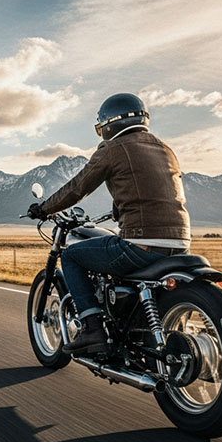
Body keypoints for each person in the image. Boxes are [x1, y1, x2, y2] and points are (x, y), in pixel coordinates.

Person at [27, 93, 191, 355]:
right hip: (180, 244)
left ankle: (93, 330)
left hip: (141, 243)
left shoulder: (113, 148)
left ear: (109, 124)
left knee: (71, 257)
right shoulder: (164, 148)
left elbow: (78, 187)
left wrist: (44, 208)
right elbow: (146, 188)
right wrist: (118, 210)